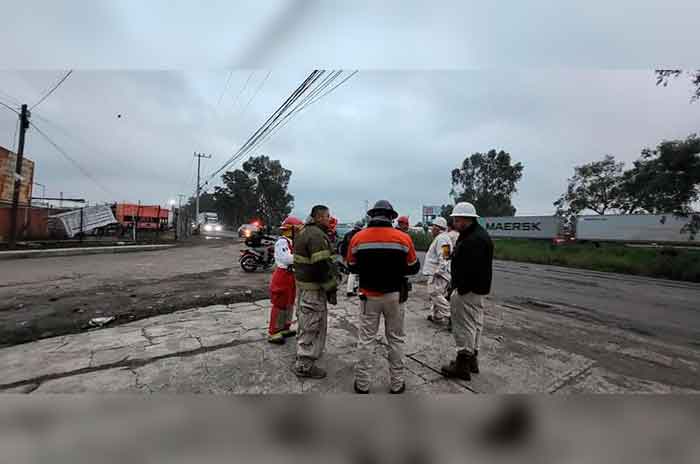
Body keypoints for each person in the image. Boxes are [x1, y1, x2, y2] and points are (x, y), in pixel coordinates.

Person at [347, 200, 421, 394]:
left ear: (372, 215)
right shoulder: (403, 238)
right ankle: (397, 384)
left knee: (366, 340)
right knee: (395, 339)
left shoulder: (358, 238)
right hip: (395, 296)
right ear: (391, 217)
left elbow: (351, 267)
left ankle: (362, 385)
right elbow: (414, 267)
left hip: (368, 297)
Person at [441, 202, 493, 382]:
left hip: (467, 289)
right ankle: (472, 361)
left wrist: (458, 289)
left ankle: (462, 364)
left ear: (465, 219)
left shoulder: (474, 240)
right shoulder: (475, 235)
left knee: (463, 326)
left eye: (456, 219)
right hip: (476, 289)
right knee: (475, 324)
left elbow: (470, 268)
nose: (454, 222)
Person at [293, 205, 338, 379]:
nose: (329, 219)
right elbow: (321, 267)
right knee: (312, 326)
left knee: (306, 324)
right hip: (313, 290)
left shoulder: (306, 231)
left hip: (306, 288)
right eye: (327, 216)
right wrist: (331, 287)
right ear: (319, 217)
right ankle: (304, 365)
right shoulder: (316, 236)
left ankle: (306, 355)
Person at [267, 216, 304, 345]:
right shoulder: (282, 242)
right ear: (291, 230)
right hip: (283, 276)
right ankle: (273, 331)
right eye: (298, 229)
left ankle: (284, 328)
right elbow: (288, 258)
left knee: (289, 304)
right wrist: (304, 255)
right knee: (279, 304)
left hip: (291, 276)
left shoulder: (292, 242)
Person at [423, 217, 453, 325]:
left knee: (434, 293)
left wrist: (439, 271)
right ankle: (437, 316)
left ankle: (450, 315)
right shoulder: (443, 238)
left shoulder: (442, 239)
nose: (431, 230)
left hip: (439, 274)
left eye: (432, 227)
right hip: (441, 273)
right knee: (437, 294)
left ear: (437, 228)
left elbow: (445, 256)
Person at [339, 221, 364, 297]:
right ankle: (359, 291)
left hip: (349, 257)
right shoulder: (361, 235)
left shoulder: (347, 234)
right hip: (358, 257)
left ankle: (350, 290)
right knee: (360, 274)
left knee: (352, 273)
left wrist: (344, 256)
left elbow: (343, 246)